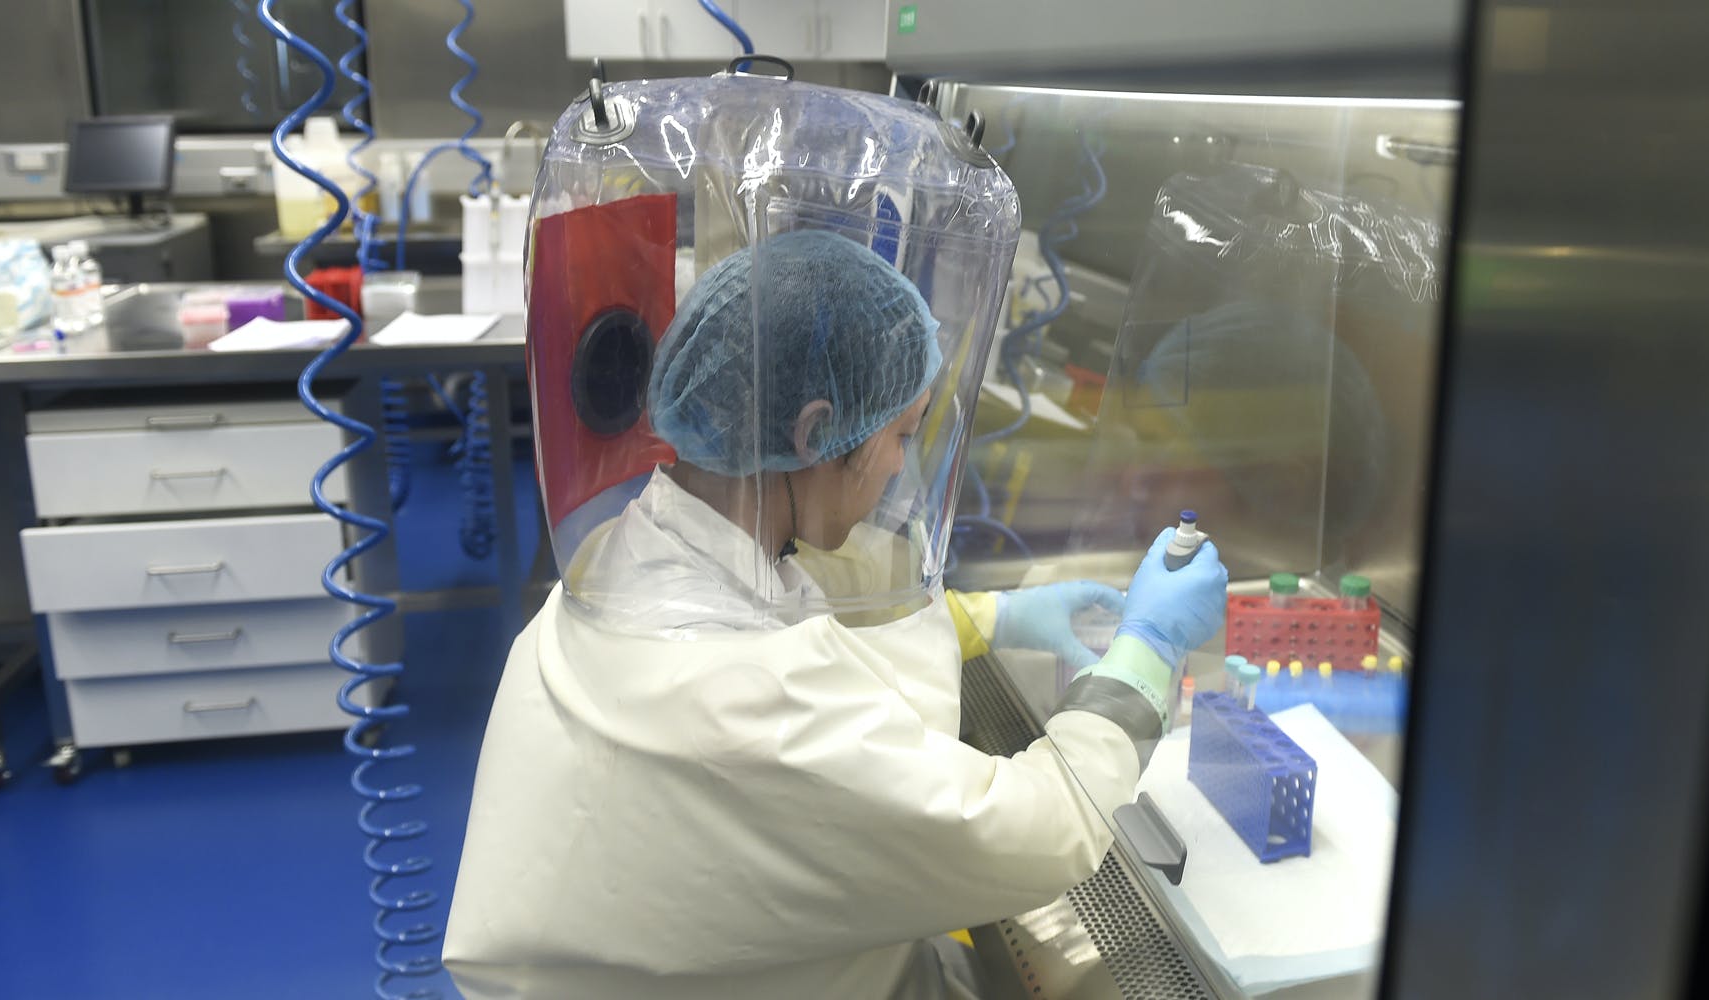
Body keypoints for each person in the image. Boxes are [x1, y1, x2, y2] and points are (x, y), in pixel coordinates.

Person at [442, 230, 1228, 999]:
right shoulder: (748, 699)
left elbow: (801, 624)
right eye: (899, 435)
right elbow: (1043, 829)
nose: (897, 468)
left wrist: (984, 618)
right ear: (816, 430)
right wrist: (1147, 650)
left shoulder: (640, 548)